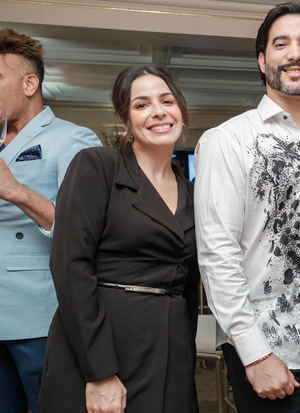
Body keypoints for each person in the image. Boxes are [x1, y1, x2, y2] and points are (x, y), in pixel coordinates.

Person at [193, 3, 300, 412]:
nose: (295, 53)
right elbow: (218, 255)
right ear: (262, 59)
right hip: (268, 352)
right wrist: (254, 353)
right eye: (281, 43)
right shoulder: (227, 140)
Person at [38, 64, 198, 412]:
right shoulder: (98, 166)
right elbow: (69, 265)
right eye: (141, 104)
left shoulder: (191, 192)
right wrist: (99, 372)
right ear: (126, 120)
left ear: (181, 111)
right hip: (103, 341)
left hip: (170, 348)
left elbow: (188, 285)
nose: (158, 111)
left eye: (167, 101)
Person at [0, 28, 101, 412]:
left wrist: (17, 191)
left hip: (40, 320)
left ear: (30, 83)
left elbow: (88, 230)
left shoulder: (73, 139)